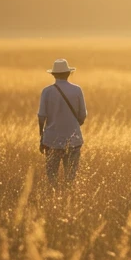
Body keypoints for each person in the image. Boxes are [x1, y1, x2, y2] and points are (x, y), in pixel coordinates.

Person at [38, 58, 87, 188]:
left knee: (52, 178)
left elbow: (41, 116)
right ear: (68, 73)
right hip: (73, 141)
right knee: (71, 178)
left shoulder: (46, 91)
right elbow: (83, 115)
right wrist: (73, 125)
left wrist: (41, 136)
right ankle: (68, 200)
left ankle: (53, 200)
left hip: (51, 141)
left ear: (53, 74)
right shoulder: (77, 90)